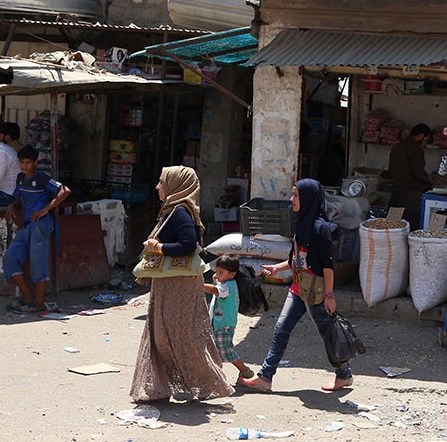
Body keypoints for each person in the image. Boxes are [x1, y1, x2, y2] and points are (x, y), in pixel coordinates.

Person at [129, 166, 234, 402]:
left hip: (180, 285)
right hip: (168, 283)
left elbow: (188, 245)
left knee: (180, 335)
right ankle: (158, 387)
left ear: (175, 184)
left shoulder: (180, 212)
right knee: (161, 334)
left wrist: (159, 248)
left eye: (161, 182)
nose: (157, 186)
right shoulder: (172, 210)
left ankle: (209, 381)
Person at [238, 178, 353, 393]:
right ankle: (265, 377)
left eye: (296, 195)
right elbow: (297, 258)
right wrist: (277, 268)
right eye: (292, 194)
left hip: (315, 291)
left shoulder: (320, 229)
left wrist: (329, 295)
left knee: (327, 333)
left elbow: (327, 266)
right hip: (298, 288)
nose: (291, 200)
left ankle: (344, 374)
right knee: (281, 329)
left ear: (308, 198)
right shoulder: (301, 223)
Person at [3, 145, 71, 313]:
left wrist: (45, 209)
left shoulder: (42, 178)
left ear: (35, 162)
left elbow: (65, 191)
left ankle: (38, 303)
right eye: (21, 162)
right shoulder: (20, 178)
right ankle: (27, 297)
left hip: (40, 225)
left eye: (27, 162)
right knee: (10, 258)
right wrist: (11, 206)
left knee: (37, 264)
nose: (24, 166)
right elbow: (17, 197)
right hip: (27, 225)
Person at [204, 254, 255, 380]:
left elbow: (215, 290)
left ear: (232, 274)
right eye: (216, 271)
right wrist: (218, 275)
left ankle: (245, 371)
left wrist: (199, 285)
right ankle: (214, 374)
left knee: (226, 350)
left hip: (224, 325)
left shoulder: (227, 287)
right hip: (219, 324)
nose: (217, 275)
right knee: (215, 349)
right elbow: (217, 281)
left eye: (220, 272)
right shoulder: (226, 282)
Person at [388, 123, 433, 229]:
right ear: (421, 136)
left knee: (392, 225)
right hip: (411, 195)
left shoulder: (397, 147)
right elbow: (419, 173)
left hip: (396, 192)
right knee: (410, 226)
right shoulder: (416, 149)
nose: (424, 144)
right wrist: (430, 183)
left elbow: (391, 169)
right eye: (425, 141)